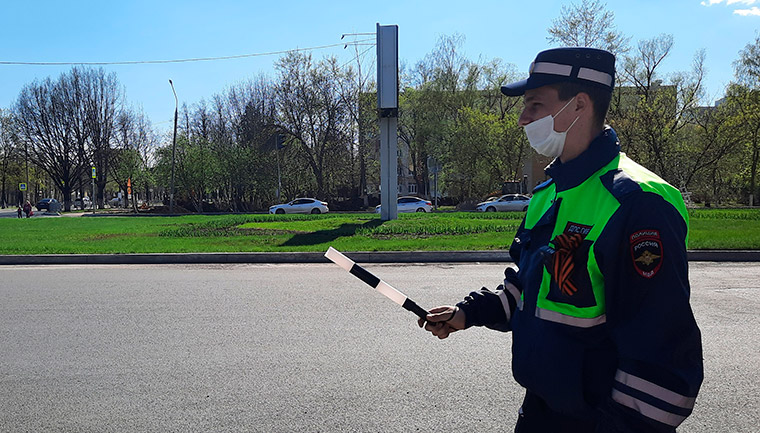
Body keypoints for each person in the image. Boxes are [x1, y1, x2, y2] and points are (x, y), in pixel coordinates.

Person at [419, 47, 703, 432]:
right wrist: (469, 313)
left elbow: (663, 351)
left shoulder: (638, 203)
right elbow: (532, 287)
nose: (522, 119)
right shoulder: (549, 192)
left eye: (534, 105)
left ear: (578, 106)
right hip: (541, 410)